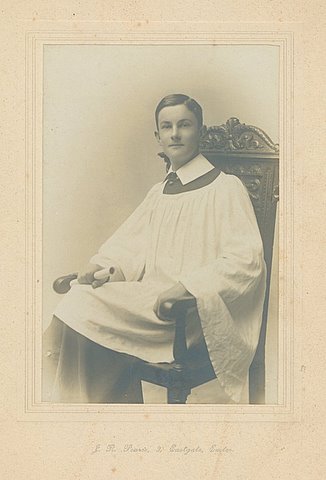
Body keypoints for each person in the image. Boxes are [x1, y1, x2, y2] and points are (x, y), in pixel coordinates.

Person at [43, 94, 266, 404]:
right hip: (151, 303)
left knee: (80, 311)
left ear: (199, 132)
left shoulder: (225, 188)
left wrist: (187, 287)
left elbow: (246, 260)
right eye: (167, 126)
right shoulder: (159, 192)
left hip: (189, 314)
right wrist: (105, 267)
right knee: (80, 299)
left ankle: (86, 413)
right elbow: (130, 247)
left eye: (184, 125)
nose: (175, 133)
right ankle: (95, 413)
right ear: (158, 136)